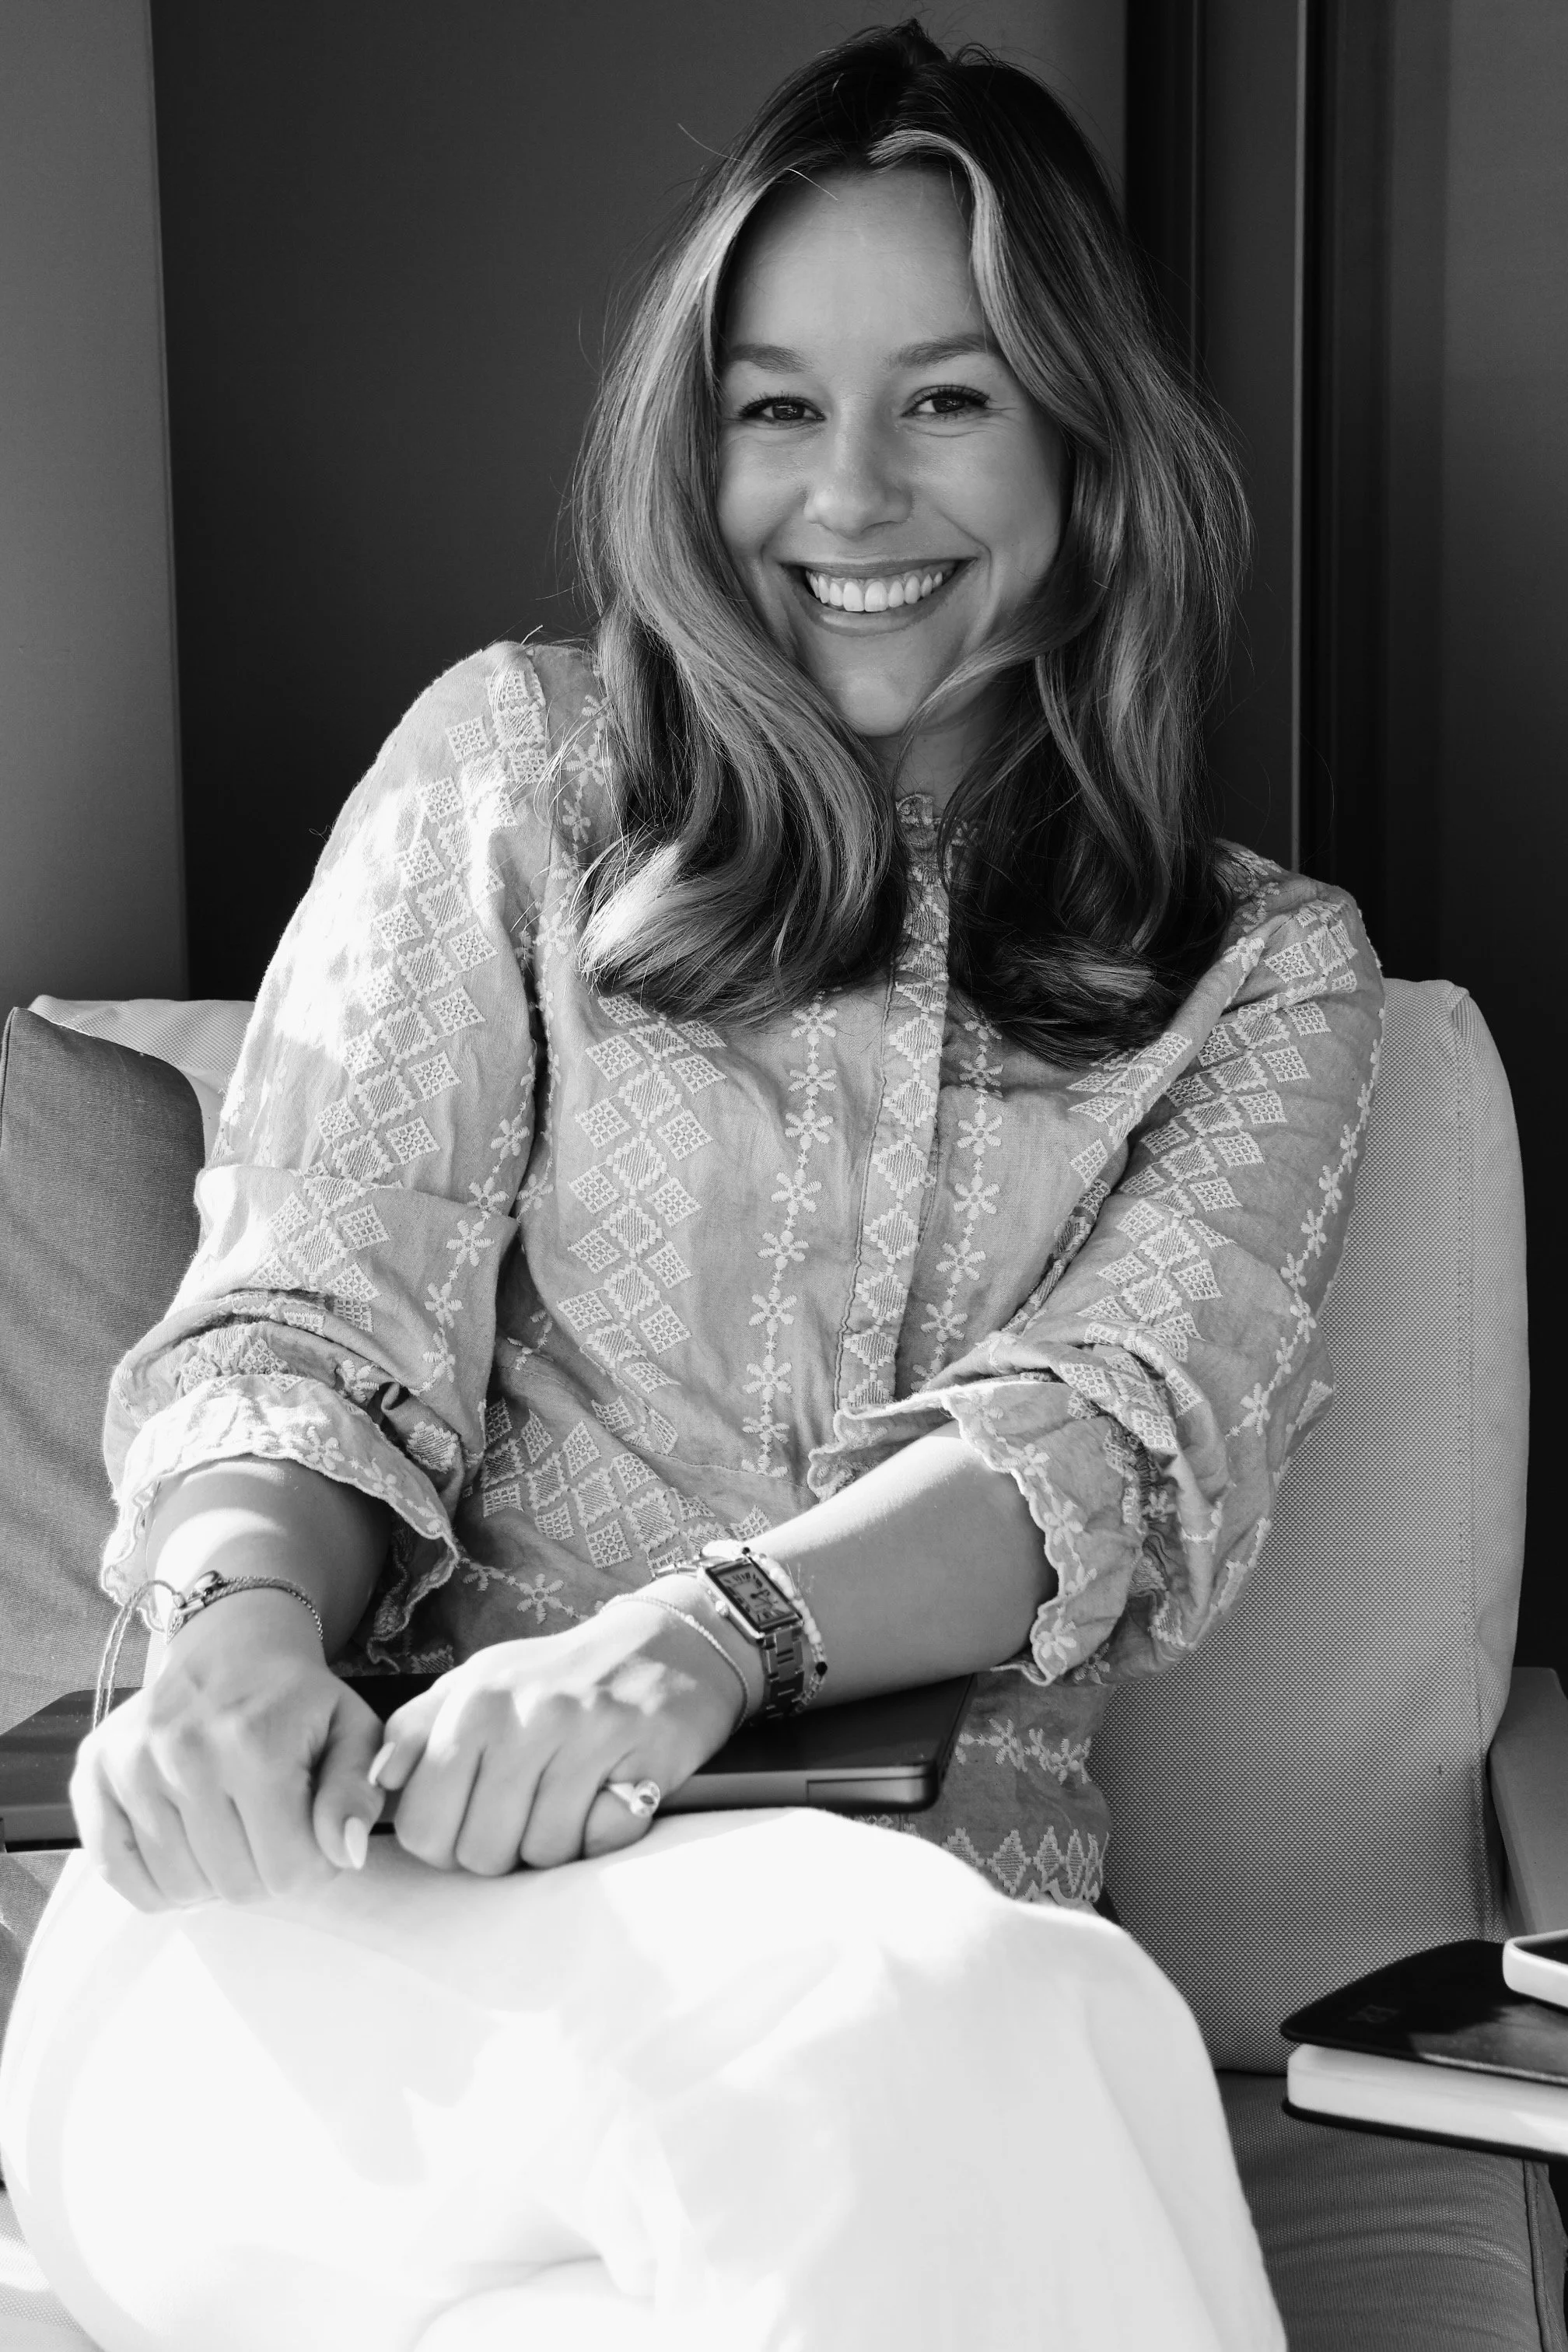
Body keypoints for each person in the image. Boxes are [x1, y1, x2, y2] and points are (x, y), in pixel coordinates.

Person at [0, 23, 1381, 2351]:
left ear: (1085, 439)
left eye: (946, 400)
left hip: (896, 1965)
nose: (848, 493)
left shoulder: (1260, 977)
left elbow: (1108, 1440)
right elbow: (313, 1307)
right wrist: (232, 1632)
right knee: (957, 2036)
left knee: (932, 2040)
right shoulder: (512, 768)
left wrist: (700, 1637)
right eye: (774, 406)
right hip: (316, 1932)